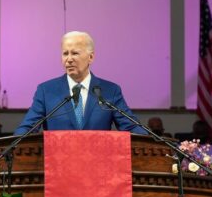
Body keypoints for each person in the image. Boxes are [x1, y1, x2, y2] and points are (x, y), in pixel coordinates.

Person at [14, 31, 147, 135]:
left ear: (91, 57)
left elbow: (131, 126)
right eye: (65, 53)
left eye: (75, 53)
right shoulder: (46, 90)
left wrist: (155, 144)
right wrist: (10, 149)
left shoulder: (110, 91)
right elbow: (28, 127)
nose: (69, 59)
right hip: (58, 164)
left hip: (99, 164)